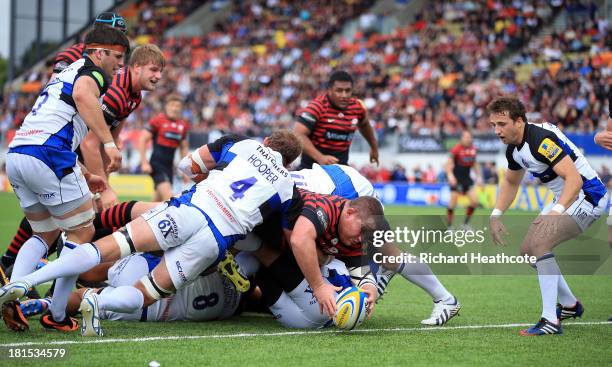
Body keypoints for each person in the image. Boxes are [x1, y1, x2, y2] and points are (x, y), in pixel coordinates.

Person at [0, 131, 302, 337]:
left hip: (189, 210)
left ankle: (26, 281)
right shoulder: (287, 186)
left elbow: (188, 165)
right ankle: (100, 303)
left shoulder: (241, 144)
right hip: (214, 240)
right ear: (289, 164)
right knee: (148, 294)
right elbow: (288, 240)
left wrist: (211, 179)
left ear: (266, 141)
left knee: (110, 246)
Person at [1, 45, 165, 285]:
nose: (158, 77)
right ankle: (48, 287)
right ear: (136, 67)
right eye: (154, 70)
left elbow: (113, 131)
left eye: (161, 72)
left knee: (59, 226)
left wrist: (112, 151)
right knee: (79, 228)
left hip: (56, 155)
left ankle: (22, 273)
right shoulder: (114, 90)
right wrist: (105, 187)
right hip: (63, 154)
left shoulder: (134, 96)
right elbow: (90, 143)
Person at [3, 25, 129, 332]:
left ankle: (11, 299)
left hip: (19, 153)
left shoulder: (65, 72)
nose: (119, 65)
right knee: (83, 232)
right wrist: (109, 143)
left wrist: (85, 172)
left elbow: (57, 120)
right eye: (117, 57)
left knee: (44, 234)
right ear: (99, 53)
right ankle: (57, 314)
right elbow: (83, 94)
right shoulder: (92, 72)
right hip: (48, 155)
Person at [487, 97, 608, 335]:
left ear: (519, 121)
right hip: (566, 198)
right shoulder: (514, 148)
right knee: (526, 252)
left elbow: (574, 180)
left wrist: (556, 212)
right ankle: (571, 305)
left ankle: (550, 320)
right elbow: (511, 182)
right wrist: (496, 214)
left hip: (587, 195)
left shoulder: (541, 141)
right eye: (493, 125)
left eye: (501, 124)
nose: (497, 131)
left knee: (540, 244)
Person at [294, 70, 378, 169]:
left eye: (348, 90)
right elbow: (298, 134)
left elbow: (365, 125)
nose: (344, 95)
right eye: (339, 90)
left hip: (341, 168)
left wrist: (374, 147)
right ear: (329, 90)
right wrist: (320, 157)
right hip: (312, 168)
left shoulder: (357, 107)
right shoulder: (317, 107)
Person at [139, 94, 190, 201]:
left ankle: (143, 216)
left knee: (157, 202)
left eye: (178, 106)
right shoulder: (158, 121)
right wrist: (144, 162)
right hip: (157, 165)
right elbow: (142, 139)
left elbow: (183, 148)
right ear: (166, 106)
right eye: (172, 105)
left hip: (169, 167)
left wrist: (185, 170)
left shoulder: (183, 126)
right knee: (168, 197)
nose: (175, 108)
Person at [52, 12, 128, 78]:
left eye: (122, 33)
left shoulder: (119, 58)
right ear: (99, 32)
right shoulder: (74, 53)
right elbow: (53, 86)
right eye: (115, 32)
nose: (120, 37)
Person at [446, 131, 482, 227]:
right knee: (453, 203)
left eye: (469, 137)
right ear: (461, 138)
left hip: (467, 178)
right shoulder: (456, 149)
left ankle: (465, 224)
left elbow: (474, 164)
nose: (468, 139)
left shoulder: (473, 149)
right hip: (456, 178)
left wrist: (479, 177)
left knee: (475, 202)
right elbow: (449, 163)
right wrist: (450, 175)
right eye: (466, 137)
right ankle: (449, 227)